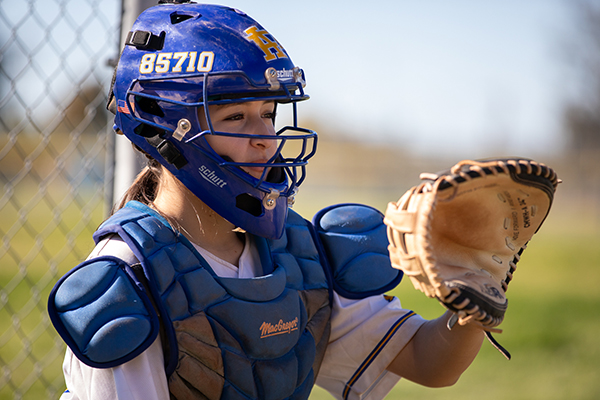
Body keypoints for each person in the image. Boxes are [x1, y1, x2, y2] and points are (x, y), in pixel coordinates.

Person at [48, 1, 486, 399]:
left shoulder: (299, 253)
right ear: (165, 126)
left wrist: (476, 295)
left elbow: (432, 363)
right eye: (236, 117)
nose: (265, 139)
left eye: (269, 114)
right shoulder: (128, 279)